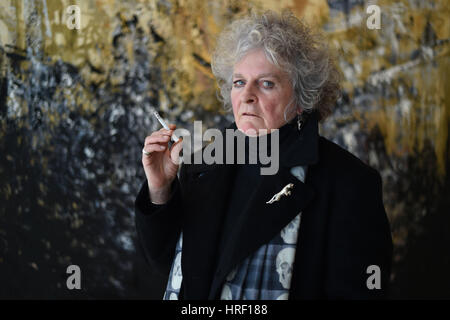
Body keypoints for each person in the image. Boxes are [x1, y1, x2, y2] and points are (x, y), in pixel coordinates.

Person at [135, 10, 393, 300]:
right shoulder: (203, 161)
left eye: (266, 83)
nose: (246, 96)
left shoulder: (349, 183)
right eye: (239, 82)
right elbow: (167, 266)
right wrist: (160, 190)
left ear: (301, 99)